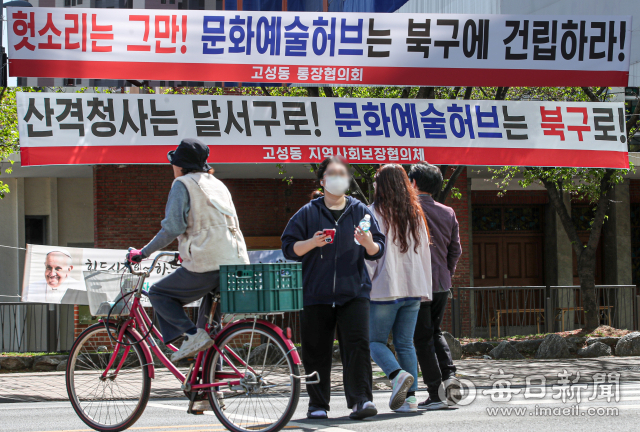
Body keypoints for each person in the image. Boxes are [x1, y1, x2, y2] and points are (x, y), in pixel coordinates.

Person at [281, 156, 385, 421]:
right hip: (316, 293)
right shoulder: (308, 212)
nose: (340, 178)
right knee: (316, 350)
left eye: (343, 173)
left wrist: (368, 243)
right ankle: (317, 404)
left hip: (354, 293)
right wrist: (312, 243)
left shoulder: (360, 210)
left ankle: (361, 401)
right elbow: (288, 248)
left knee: (357, 347)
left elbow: (377, 249)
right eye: (333, 173)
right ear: (322, 180)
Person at [128, 138, 250, 363]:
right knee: (211, 332)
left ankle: (191, 335)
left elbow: (172, 228)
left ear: (181, 164)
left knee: (159, 294)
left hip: (207, 262)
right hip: (235, 262)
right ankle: (209, 391)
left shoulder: (182, 184)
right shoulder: (217, 184)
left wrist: (143, 253)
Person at [366, 164, 432, 413]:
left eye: (375, 181)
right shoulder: (416, 213)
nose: (373, 185)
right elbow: (425, 252)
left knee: (374, 342)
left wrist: (365, 284)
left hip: (384, 288)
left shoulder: (373, 212)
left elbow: (368, 254)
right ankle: (411, 401)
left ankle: (396, 375)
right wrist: (424, 286)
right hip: (413, 287)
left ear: (382, 185)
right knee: (405, 344)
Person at [408, 163, 462, 410]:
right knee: (435, 332)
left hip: (418, 283)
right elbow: (456, 250)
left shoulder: (409, 210)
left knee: (421, 337)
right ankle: (450, 377)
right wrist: (446, 274)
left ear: (414, 183)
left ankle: (435, 392)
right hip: (441, 282)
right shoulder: (448, 212)